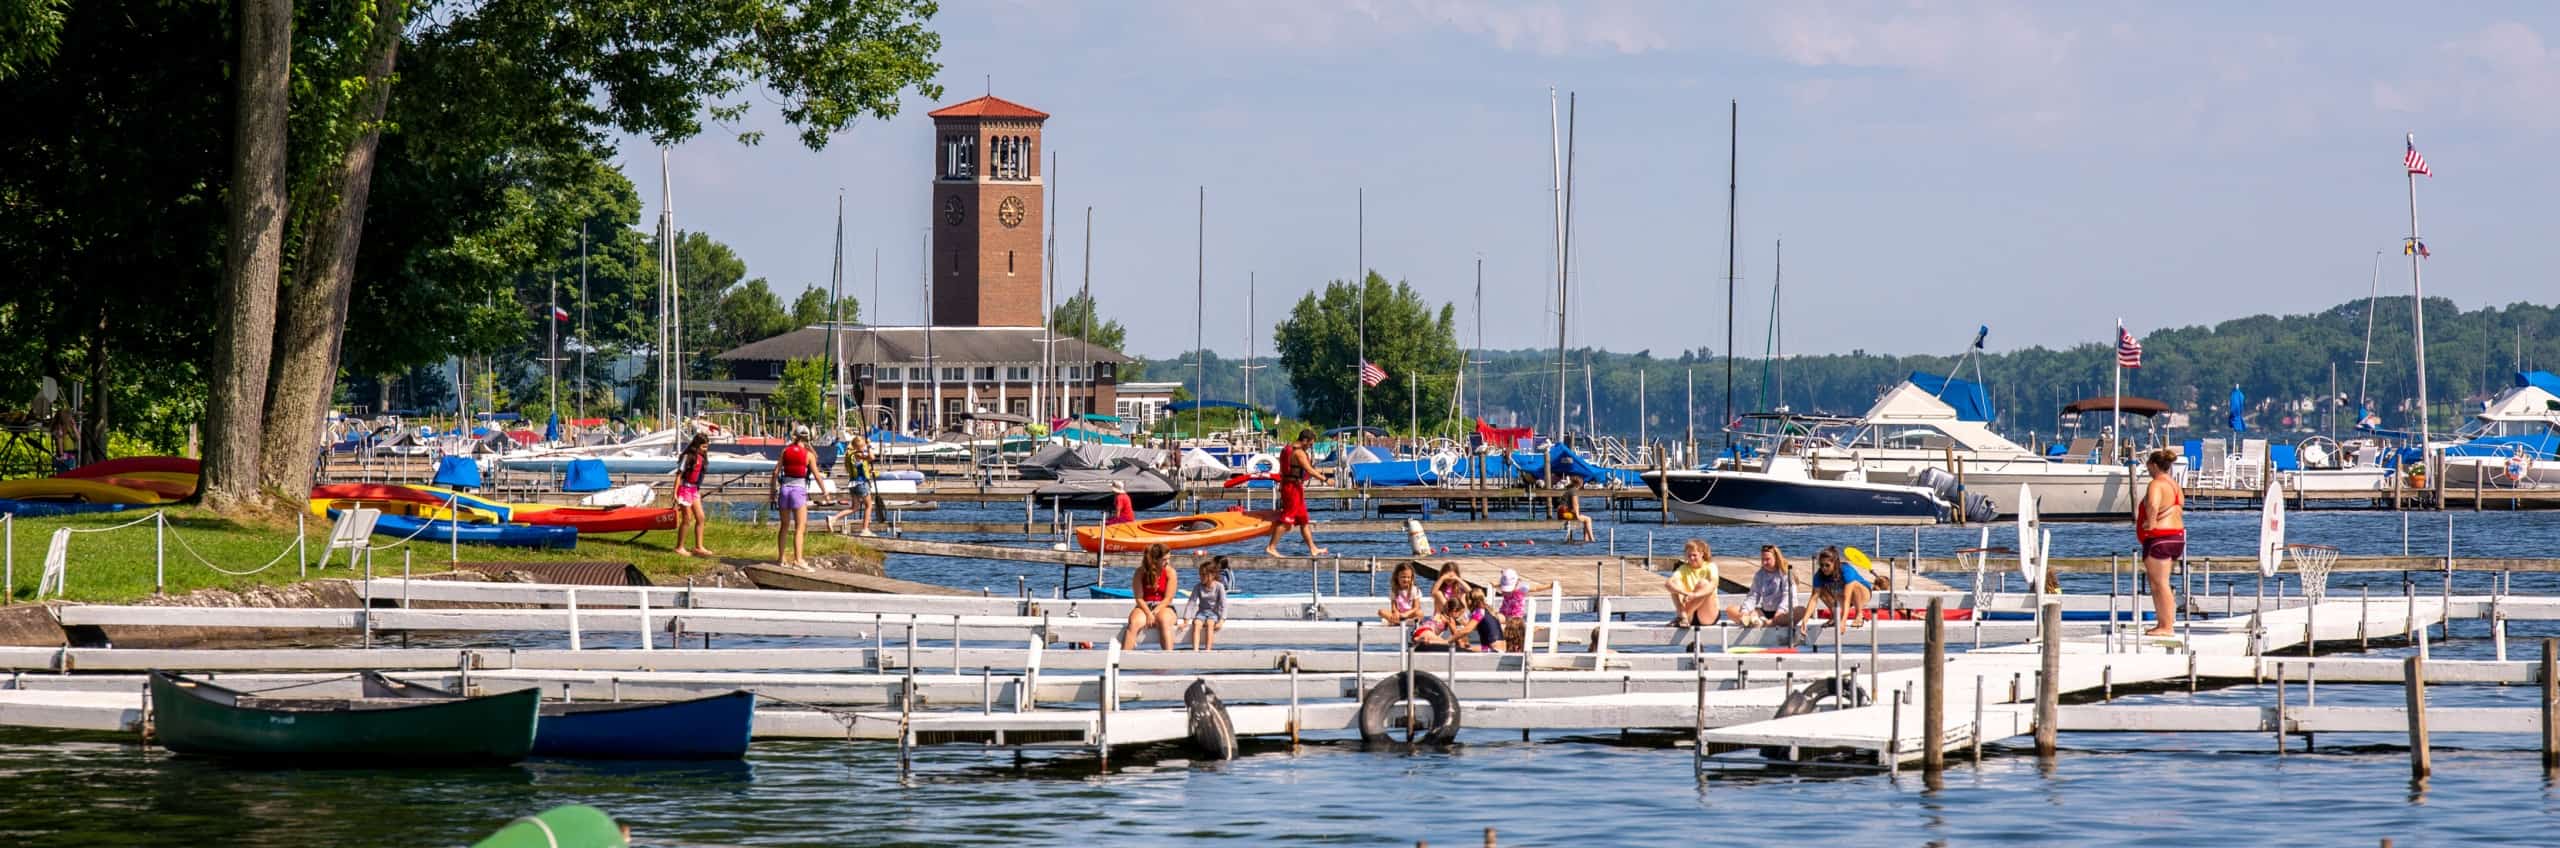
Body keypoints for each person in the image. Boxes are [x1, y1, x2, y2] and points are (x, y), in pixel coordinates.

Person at [2135, 448, 2184, 636]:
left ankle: (2166, 626)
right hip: (2176, 537)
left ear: (2154, 465)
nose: (2147, 469)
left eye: (2148, 465)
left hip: (2159, 538)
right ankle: (2164, 624)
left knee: (2159, 584)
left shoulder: (2156, 484)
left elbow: (2153, 504)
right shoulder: (2175, 485)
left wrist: (2151, 521)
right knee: (2162, 582)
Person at [1262, 428, 1331, 556]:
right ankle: (1271, 547)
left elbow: (1283, 470)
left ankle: (1313, 548)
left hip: (1294, 487)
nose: (1310, 447)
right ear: (1304, 440)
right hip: (1292, 488)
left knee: (1304, 521)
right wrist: (1326, 480)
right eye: (1310, 444)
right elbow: (1309, 470)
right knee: (1287, 521)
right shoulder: (1298, 453)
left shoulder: (1287, 449)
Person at [1119, 543, 1182, 650]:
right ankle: (1125, 656)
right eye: (1164, 559)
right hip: (1144, 606)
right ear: (1155, 560)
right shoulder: (1140, 572)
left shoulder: (1170, 572)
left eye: (1168, 559)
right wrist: (1148, 613)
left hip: (1164, 606)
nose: (1168, 562)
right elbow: (1139, 598)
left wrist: (1154, 613)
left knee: (1164, 620)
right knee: (1134, 623)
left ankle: (1168, 656)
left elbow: (1168, 598)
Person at [1720, 545, 1798, 627]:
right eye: (1762, 559)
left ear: (1777, 558)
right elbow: (1753, 595)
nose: (1764, 563)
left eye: (1767, 559)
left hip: (1783, 612)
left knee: (1800, 611)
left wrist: (1780, 611)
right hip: (1766, 612)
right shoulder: (1760, 574)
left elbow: (1788, 596)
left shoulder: (1786, 573)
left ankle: (1767, 622)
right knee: (1730, 610)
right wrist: (1744, 611)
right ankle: (1759, 621)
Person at [773, 426, 817, 566]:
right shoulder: (808, 454)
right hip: (798, 490)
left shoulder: (785, 450)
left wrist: (772, 491)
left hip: (784, 489)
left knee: (784, 525)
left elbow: (775, 472)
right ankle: (798, 560)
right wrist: (825, 492)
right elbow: (816, 473)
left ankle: (781, 558)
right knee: (800, 527)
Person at [1808, 546, 1874, 629]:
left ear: (1835, 564)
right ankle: (1835, 615)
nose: (1824, 568)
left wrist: (1843, 621)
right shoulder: (1819, 574)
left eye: (1827, 565)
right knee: (1819, 590)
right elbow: (1813, 598)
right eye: (1821, 565)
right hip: (1841, 596)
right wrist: (1805, 621)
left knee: (1854, 584)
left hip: (1862, 595)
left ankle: (1859, 614)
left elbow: (1847, 598)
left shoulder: (1846, 570)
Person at [823, 433, 877, 537]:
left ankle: (833, 518)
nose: (864, 448)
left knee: (854, 508)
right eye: (863, 446)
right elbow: (872, 457)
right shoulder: (857, 454)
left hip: (853, 484)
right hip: (861, 483)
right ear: (859, 446)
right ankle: (865, 529)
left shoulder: (850, 454)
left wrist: (869, 471)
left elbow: (858, 468)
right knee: (869, 505)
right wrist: (869, 446)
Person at [671, 434, 715, 557]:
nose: (705, 449)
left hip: (694, 490)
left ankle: (698, 547)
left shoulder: (702, 458)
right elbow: (679, 475)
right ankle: (679, 547)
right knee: (687, 519)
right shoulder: (687, 457)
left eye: (707, 447)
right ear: (696, 446)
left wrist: (697, 490)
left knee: (701, 518)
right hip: (685, 489)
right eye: (703, 447)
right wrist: (675, 493)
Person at [1665, 539, 1718, 627]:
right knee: (1674, 583)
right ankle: (1683, 616)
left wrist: (1695, 595)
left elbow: (1713, 585)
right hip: (1689, 617)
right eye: (1689, 555)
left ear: (1702, 554)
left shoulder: (1710, 566)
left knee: (1703, 584)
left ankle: (1681, 616)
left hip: (1707, 615)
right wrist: (1686, 593)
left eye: (1694, 555)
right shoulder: (1683, 568)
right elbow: (1668, 584)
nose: (1691, 558)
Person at [1186, 556, 1230, 650]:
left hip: (1214, 613)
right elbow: (1191, 602)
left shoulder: (1219, 586)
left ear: (1212, 575)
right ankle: (1195, 650)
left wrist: (1222, 620)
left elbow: (1223, 604)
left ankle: (1208, 650)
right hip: (1201, 613)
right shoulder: (1198, 587)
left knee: (1210, 624)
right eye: (1200, 574)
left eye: (1203, 575)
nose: (1201, 577)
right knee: (1197, 624)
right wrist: (1186, 619)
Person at [1493, 568, 1552, 632]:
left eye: (1509, 590)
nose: (1507, 593)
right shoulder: (1503, 584)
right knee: (1495, 618)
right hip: (1504, 613)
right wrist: (1494, 584)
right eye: (1505, 591)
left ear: (1517, 583)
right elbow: (1500, 583)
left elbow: (1535, 588)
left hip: (1516, 616)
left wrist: (1549, 586)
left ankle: (1532, 629)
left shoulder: (1521, 587)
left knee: (1515, 627)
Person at [1378, 560, 1426, 626]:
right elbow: (1393, 607)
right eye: (1403, 577)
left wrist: (1406, 614)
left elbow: (1416, 607)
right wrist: (1396, 612)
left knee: (1419, 613)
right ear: (1397, 577)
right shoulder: (1394, 590)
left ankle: (1398, 622)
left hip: (1410, 614)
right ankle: (1403, 622)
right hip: (1399, 615)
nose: (1406, 579)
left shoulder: (1414, 589)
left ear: (1412, 578)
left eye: (1408, 577)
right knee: (1381, 612)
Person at [1558, 475, 1594, 543]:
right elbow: (1575, 505)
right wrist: (1577, 516)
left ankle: (1586, 539)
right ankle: (1592, 539)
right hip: (1564, 514)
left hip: (1561, 513)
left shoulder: (1569, 490)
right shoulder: (1574, 491)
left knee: (1585, 519)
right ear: (1580, 484)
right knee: (1588, 519)